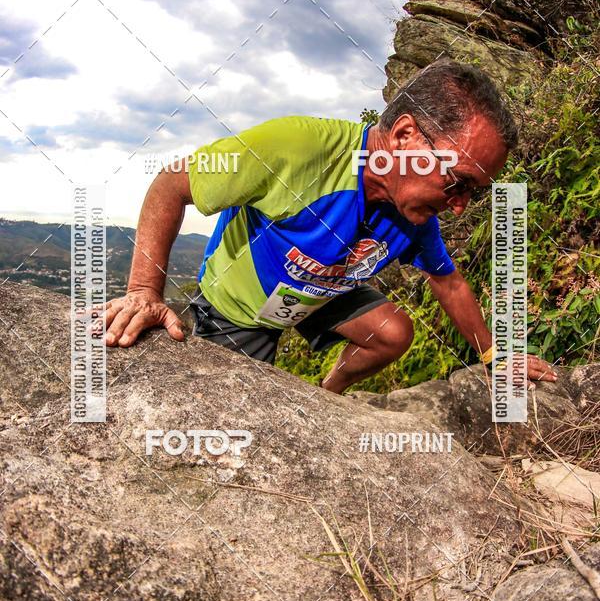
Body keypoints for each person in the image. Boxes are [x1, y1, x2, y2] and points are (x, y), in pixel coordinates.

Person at [103, 59, 557, 393]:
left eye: (473, 193)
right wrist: (144, 291)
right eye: (458, 182)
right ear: (404, 137)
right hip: (238, 309)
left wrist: (496, 356)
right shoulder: (298, 148)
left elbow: (449, 282)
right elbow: (172, 183)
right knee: (233, 411)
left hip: (319, 294)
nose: (459, 206)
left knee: (393, 332)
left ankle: (328, 396)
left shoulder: (412, 211)